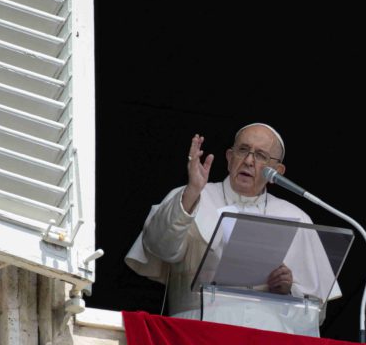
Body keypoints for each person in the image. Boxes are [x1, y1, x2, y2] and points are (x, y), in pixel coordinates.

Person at [125, 123, 340, 324]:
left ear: (277, 171)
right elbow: (159, 247)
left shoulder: (297, 217)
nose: (248, 161)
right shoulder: (191, 196)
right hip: (195, 336)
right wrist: (192, 191)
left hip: (267, 344)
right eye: (243, 150)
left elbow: (315, 317)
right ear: (229, 157)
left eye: (261, 155)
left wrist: (288, 291)